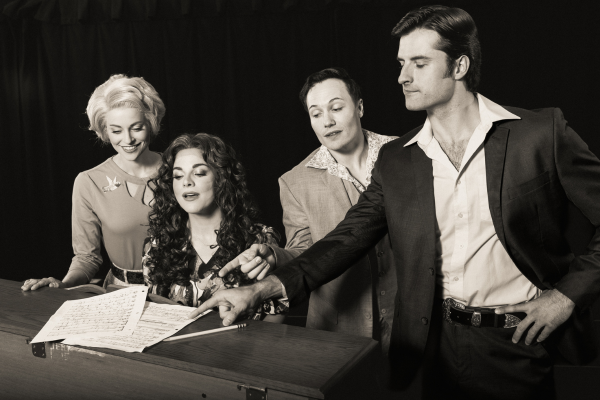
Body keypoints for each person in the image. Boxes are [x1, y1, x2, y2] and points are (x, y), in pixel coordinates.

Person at [192, 5, 600, 399]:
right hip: (432, 345)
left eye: (419, 63)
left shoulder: (540, 133)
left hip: (518, 339)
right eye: (401, 64)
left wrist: (565, 296)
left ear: (459, 66)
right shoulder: (399, 159)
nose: (403, 76)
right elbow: (344, 241)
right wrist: (262, 289)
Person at [218, 68, 398, 353]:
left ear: (360, 107)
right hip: (339, 325)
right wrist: (275, 256)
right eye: (316, 114)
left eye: (336, 108)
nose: (327, 121)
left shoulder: (406, 155)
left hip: (409, 318)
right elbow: (305, 249)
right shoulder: (294, 181)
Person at [22, 74, 165, 291]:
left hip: (183, 291)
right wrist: (63, 285)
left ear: (151, 122)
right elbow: (87, 258)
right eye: (116, 130)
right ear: (104, 130)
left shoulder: (182, 171)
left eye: (136, 128)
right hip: (121, 293)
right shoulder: (89, 181)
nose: (127, 140)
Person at [143, 133, 288, 321]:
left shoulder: (260, 241)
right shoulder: (156, 244)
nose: (186, 182)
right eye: (178, 175)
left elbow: (276, 316)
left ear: (222, 178)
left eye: (199, 173)